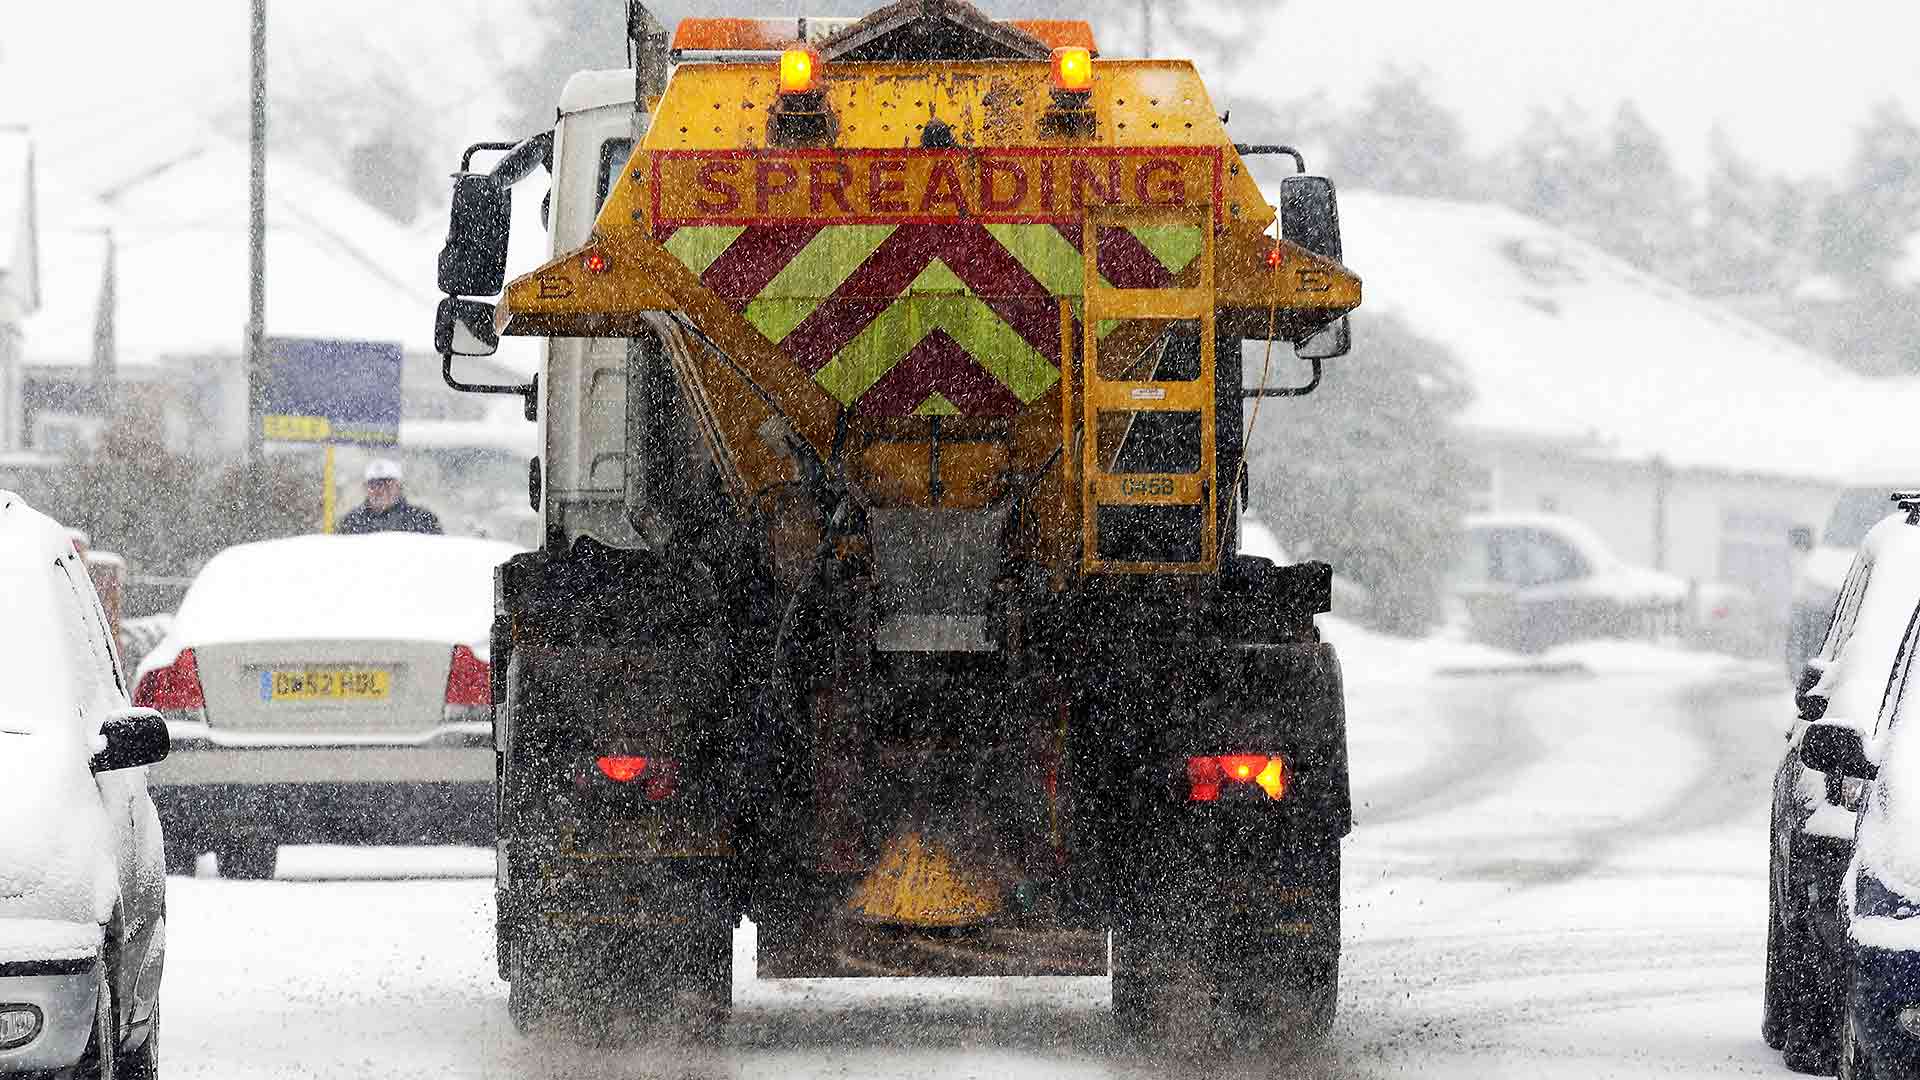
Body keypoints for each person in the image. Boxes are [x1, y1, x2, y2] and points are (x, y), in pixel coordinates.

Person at [339, 458, 443, 535]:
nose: (380, 490)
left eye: (387, 483)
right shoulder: (351, 522)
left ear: (399, 486)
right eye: (374, 484)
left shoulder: (423, 520)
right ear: (365, 487)